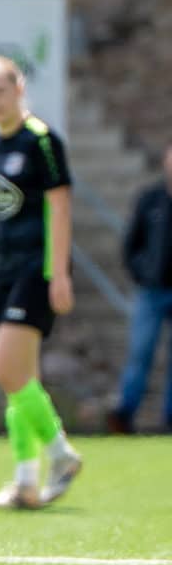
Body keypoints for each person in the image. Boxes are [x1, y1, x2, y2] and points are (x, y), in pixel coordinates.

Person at [0, 55, 83, 509]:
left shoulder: (42, 140)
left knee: (6, 368)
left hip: (37, 268)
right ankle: (24, 481)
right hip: (7, 270)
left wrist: (58, 274)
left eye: (1, 91)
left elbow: (60, 207)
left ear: (19, 88)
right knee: (21, 378)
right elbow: (1, 216)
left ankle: (60, 453)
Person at [107, 140, 172, 434]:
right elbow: (131, 245)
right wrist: (142, 273)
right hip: (152, 290)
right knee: (140, 352)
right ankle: (125, 413)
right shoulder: (151, 199)